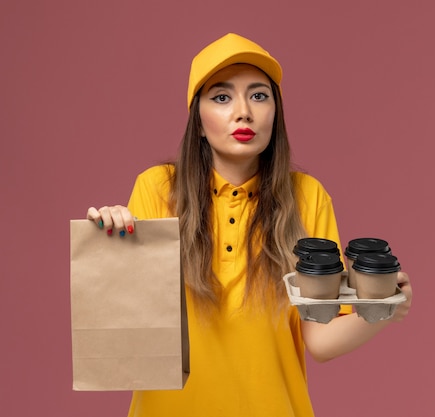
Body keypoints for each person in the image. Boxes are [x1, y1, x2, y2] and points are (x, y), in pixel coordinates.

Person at [86, 33, 412, 417]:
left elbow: (320, 341)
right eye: (221, 97)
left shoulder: (308, 197)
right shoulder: (157, 188)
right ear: (198, 119)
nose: (243, 112)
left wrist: (384, 309)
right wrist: (110, 242)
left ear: (276, 112)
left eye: (259, 95)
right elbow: (130, 326)